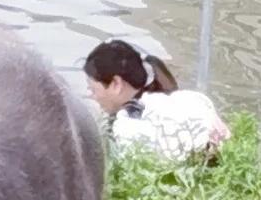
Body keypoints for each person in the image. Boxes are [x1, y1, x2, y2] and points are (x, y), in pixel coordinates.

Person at [84, 39, 229, 162]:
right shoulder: (190, 99)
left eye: (94, 90)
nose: (92, 96)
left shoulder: (127, 126)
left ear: (116, 84)